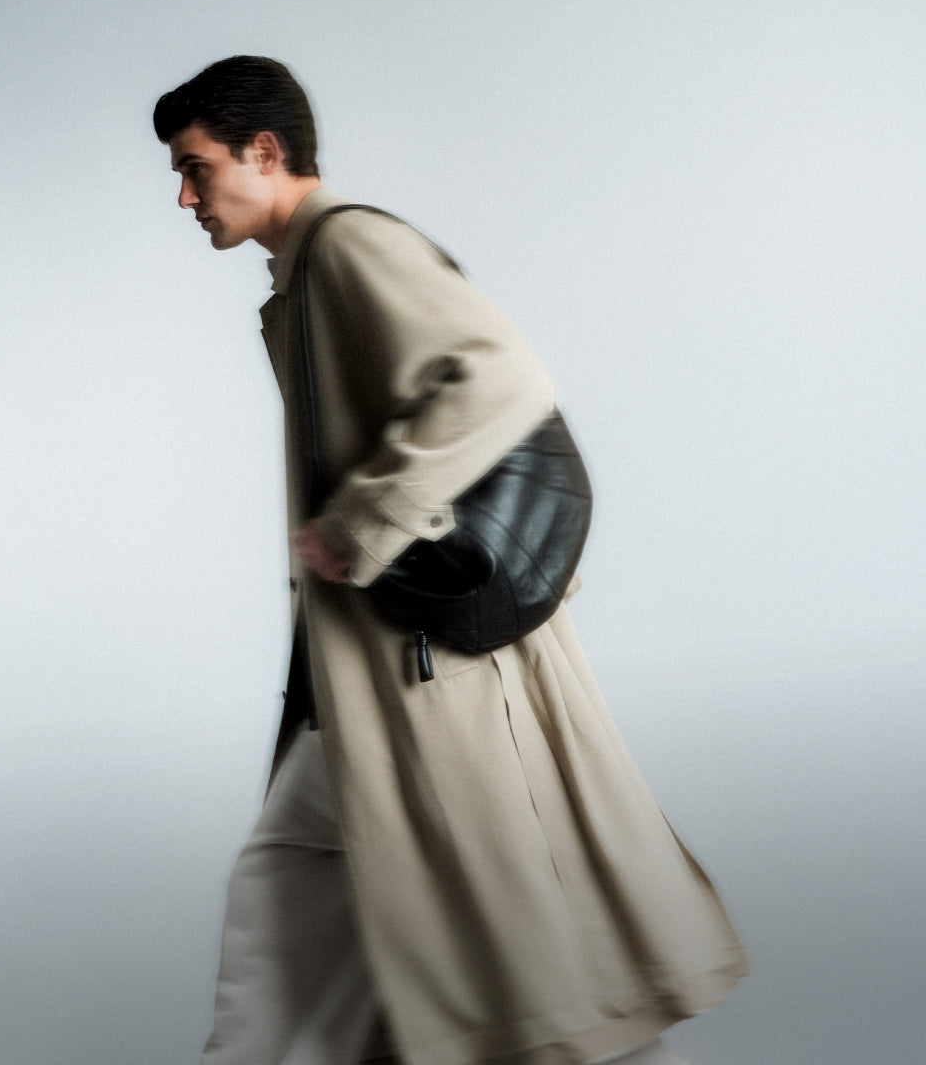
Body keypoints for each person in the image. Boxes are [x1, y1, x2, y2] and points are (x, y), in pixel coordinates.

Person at [153, 56, 748, 1065]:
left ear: (265, 151)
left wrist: (361, 525)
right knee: (341, 914)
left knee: (509, 945)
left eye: (195, 167)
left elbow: (499, 377)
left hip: (421, 664)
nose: (184, 197)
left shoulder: (350, 247)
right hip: (373, 672)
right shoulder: (306, 273)